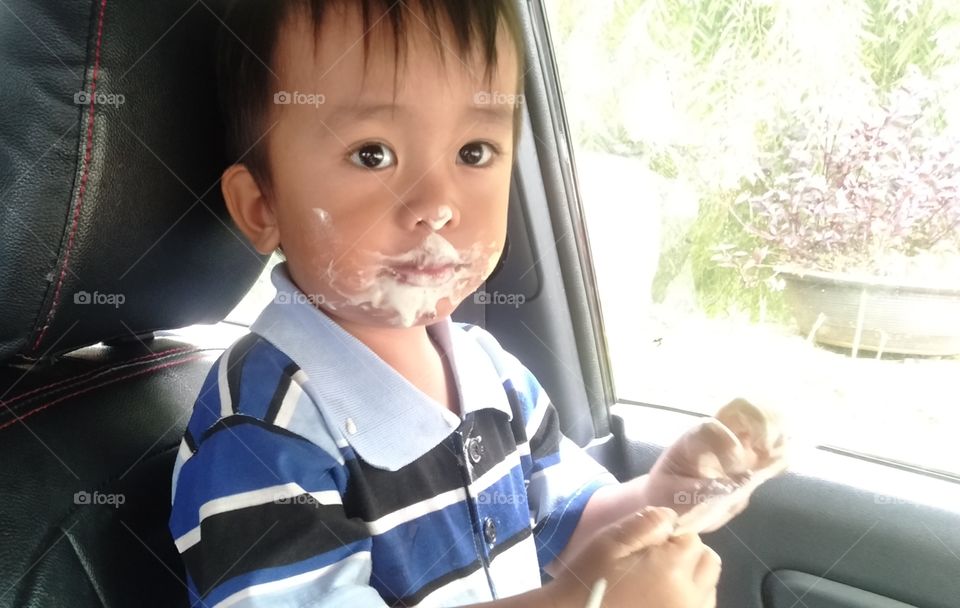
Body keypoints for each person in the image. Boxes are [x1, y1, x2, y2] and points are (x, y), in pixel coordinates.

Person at [168, 1, 785, 606]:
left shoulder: (492, 373)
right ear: (262, 207)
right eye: (372, 154)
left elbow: (562, 527)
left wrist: (662, 496)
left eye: (474, 153)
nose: (438, 203)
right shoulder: (260, 426)